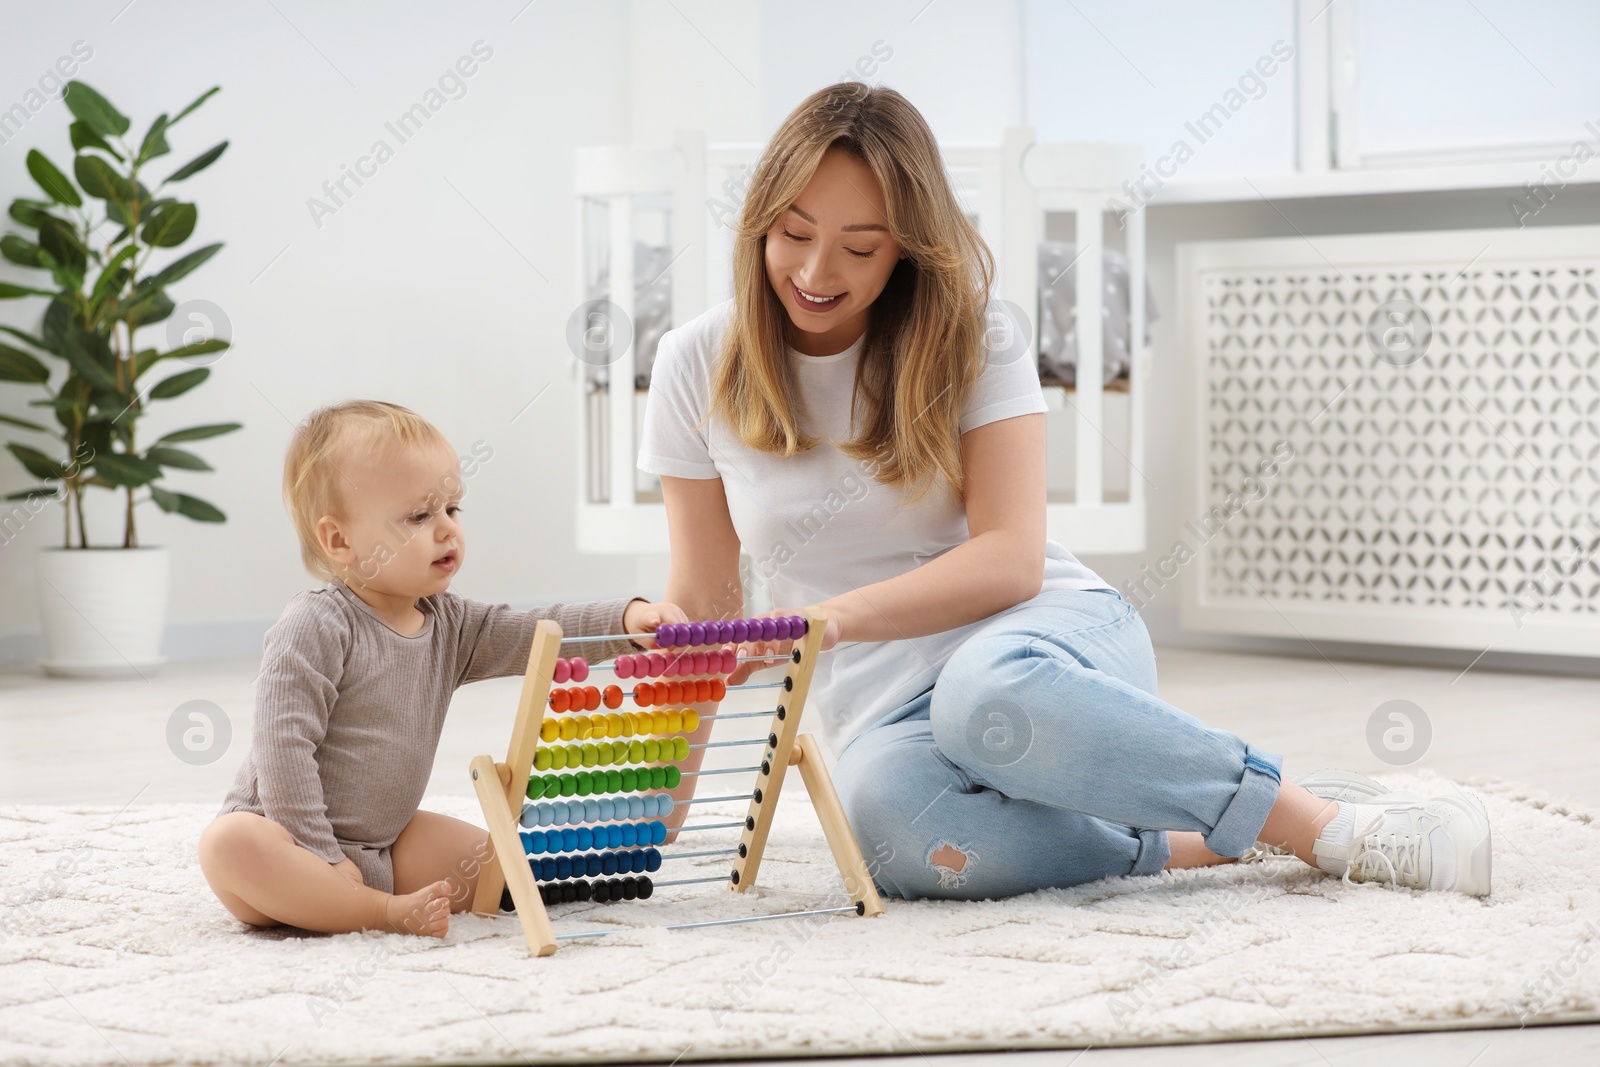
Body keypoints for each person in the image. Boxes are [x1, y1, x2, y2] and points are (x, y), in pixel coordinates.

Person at [637, 82, 1492, 901]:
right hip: (882, 707)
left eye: (860, 247)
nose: (819, 271)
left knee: (984, 695)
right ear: (756, 226)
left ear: (905, 245)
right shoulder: (694, 363)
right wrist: (653, 812)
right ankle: (1198, 832)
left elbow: (1009, 561)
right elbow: (702, 604)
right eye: (793, 234)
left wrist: (824, 623)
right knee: (892, 831)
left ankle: (1327, 825)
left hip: (1040, 645)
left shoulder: (973, 332)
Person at [199, 400, 685, 937]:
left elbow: (534, 632)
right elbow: (282, 747)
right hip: (285, 844)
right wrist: (321, 854)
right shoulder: (316, 625)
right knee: (227, 845)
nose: (447, 530)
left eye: (452, 509)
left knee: (500, 864)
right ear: (339, 540)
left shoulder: (447, 623)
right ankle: (380, 913)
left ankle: (371, 897)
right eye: (418, 516)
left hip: (385, 845)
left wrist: (626, 619)